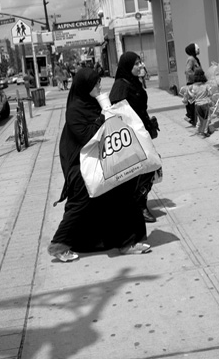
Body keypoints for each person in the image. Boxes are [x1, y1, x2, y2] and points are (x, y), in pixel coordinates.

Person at [48, 67, 150, 262]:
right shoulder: (75, 110)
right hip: (81, 166)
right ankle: (58, 245)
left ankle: (127, 242)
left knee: (123, 193)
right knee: (80, 203)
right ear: (85, 86)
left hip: (101, 159)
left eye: (99, 82)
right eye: (95, 83)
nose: (99, 86)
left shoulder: (92, 103)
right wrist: (104, 116)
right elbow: (86, 136)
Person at [109, 51, 158, 223]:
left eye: (140, 62)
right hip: (131, 137)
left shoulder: (134, 82)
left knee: (149, 168)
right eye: (136, 64)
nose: (140, 66)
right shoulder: (121, 86)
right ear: (127, 66)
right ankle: (139, 207)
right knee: (144, 170)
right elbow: (116, 113)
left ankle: (139, 205)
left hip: (142, 133)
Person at [188, 68, 214, 137]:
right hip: (205, 104)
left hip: (197, 105)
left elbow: (193, 95)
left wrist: (189, 92)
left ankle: (198, 130)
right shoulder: (206, 85)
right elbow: (210, 93)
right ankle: (205, 131)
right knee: (207, 118)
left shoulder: (194, 86)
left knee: (200, 119)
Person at [184, 43, 202, 125]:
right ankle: (192, 118)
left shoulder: (195, 59)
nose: (198, 49)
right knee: (192, 103)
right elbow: (188, 70)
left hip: (196, 83)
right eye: (197, 48)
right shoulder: (191, 59)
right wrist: (195, 77)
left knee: (196, 102)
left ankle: (195, 119)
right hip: (192, 83)